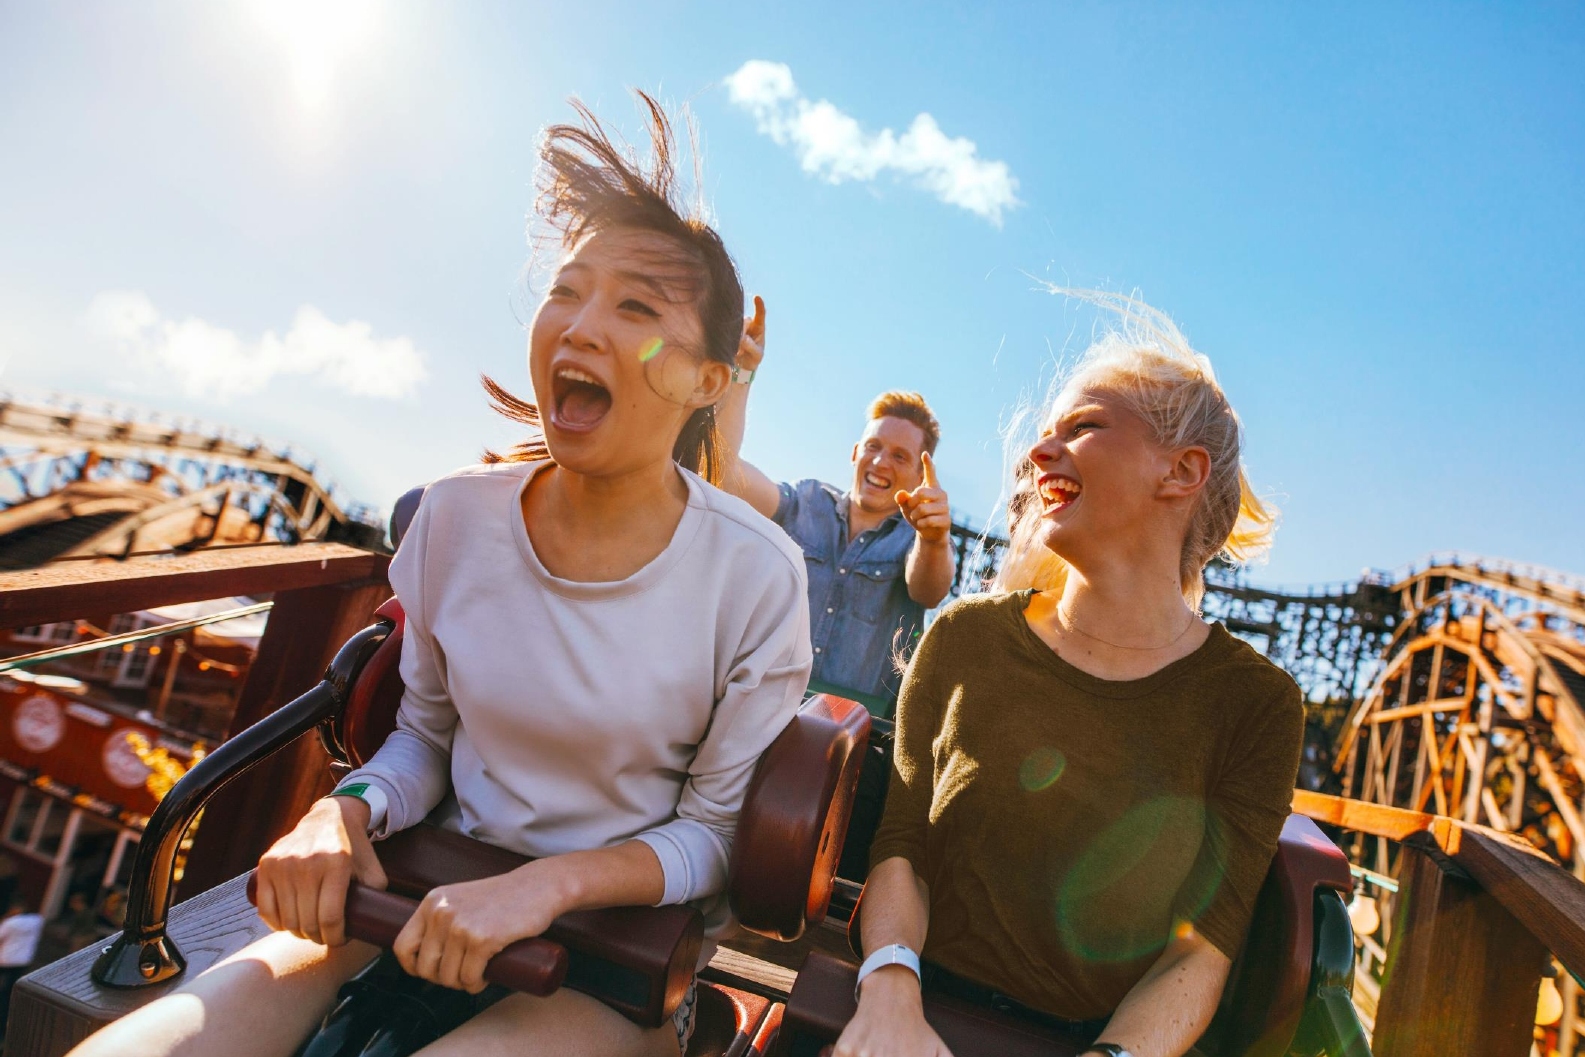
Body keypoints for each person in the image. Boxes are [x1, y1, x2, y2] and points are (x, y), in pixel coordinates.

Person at [69, 93, 811, 1057]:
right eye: (567, 290)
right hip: (417, 894)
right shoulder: (455, 517)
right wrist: (344, 812)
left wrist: (544, 884)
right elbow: (423, 737)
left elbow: (710, 839)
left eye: (635, 306)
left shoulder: (757, 576)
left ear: (711, 380)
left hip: (612, 957)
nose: (581, 325)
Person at [834, 293, 1302, 1057]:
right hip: (909, 1014)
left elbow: (1199, 947)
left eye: (1081, 427)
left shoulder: (1255, 703)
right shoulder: (966, 635)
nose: (1037, 453)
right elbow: (902, 845)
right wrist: (888, 988)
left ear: (1180, 471)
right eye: (1044, 433)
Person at [717, 317, 954, 708]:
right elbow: (725, 476)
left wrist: (933, 538)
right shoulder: (807, 501)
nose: (880, 462)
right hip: (758, 709)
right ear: (854, 453)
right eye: (873, 446)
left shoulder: (915, 540)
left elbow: (929, 591)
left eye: (899, 456)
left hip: (855, 738)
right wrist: (741, 374)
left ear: (917, 477)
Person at [0, 895, 45, 1014]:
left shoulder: (10, 923)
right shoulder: (37, 920)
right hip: (24, 959)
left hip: (6, 958)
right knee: (11, 986)